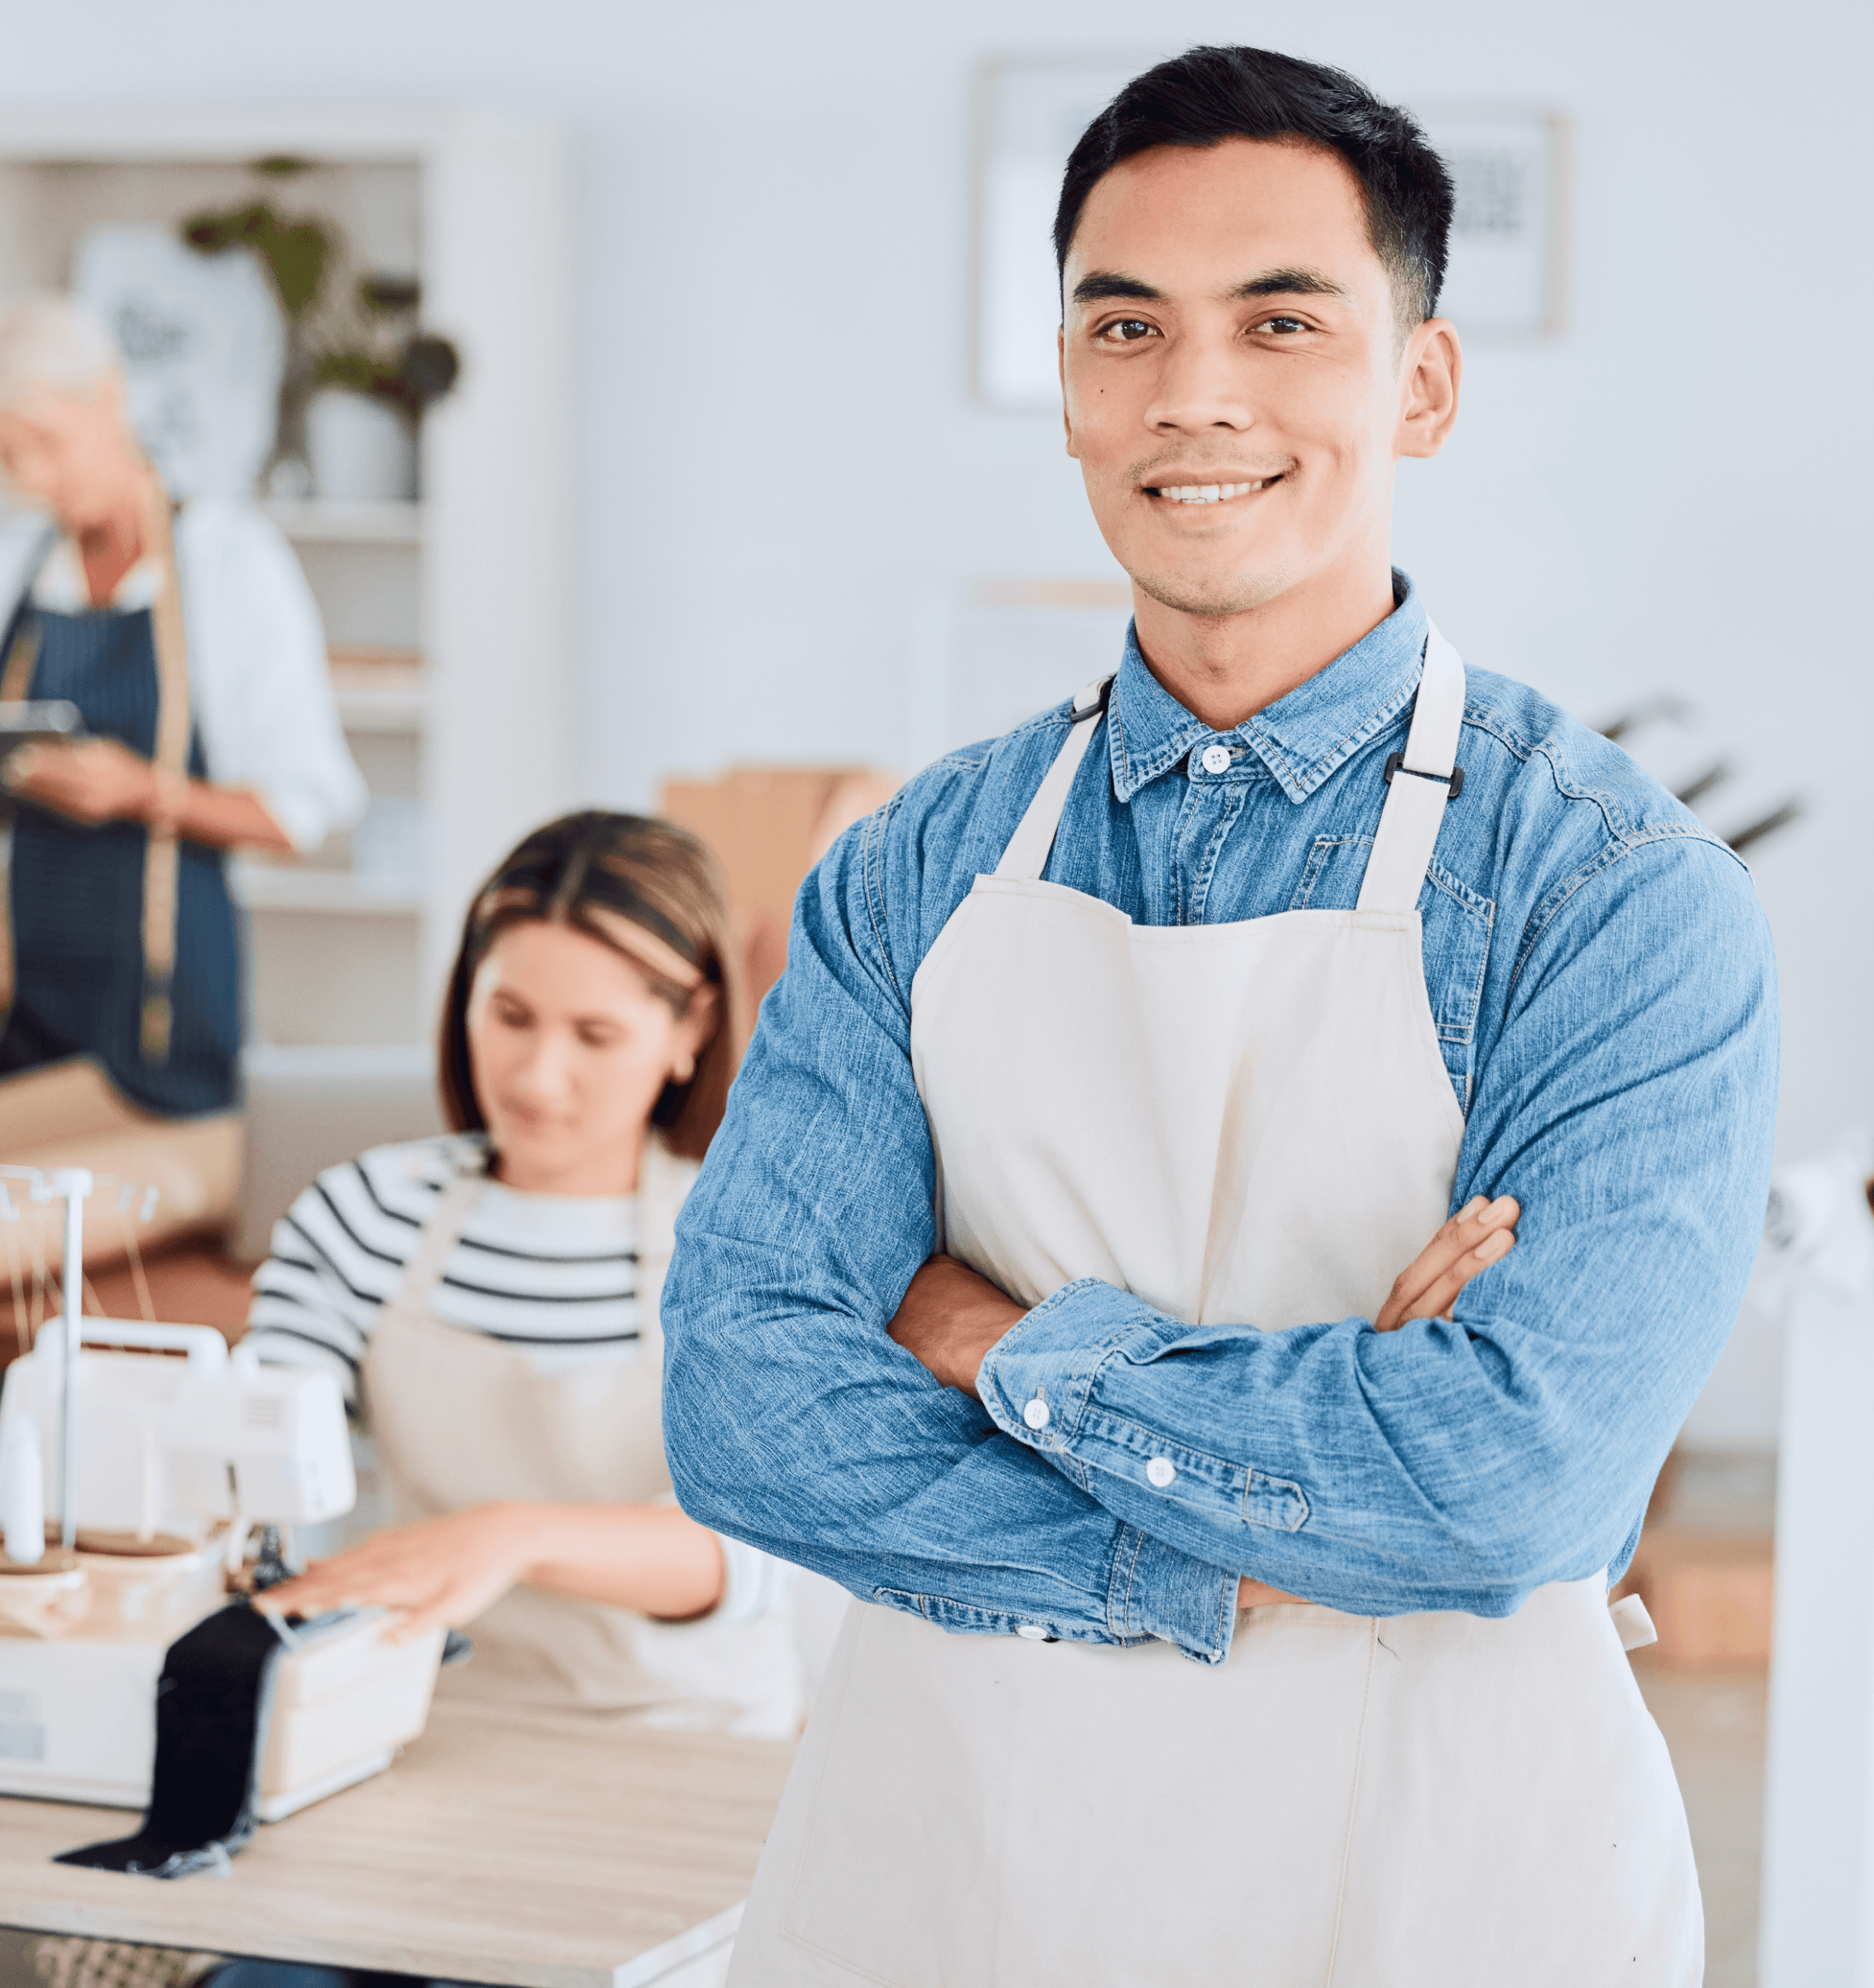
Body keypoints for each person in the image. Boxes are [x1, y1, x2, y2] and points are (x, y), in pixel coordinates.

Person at [661, 44, 1776, 1986]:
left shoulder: (1614, 892)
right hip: (948, 1876)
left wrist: (992, 1338)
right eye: (1127, 324)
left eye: (1283, 319)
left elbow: (1511, 1478)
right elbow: (744, 1403)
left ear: (1417, 383)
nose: (1195, 393)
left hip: (1437, 1887)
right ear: (1072, 387)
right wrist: (1255, 1527)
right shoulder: (912, 866)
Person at [247, 811, 800, 1737]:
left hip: (692, 1733)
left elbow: (754, 1554)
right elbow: (259, 1449)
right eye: (509, 1016)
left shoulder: (750, 1239)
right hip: (426, 1719)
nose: (538, 1077)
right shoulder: (364, 1215)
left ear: (691, 1025)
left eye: (594, 1034)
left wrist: (512, 1534)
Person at [0, 294, 364, 1261]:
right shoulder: (20, 567)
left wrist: (141, 792)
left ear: (108, 399)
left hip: (160, 1045)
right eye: (5, 456)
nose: (30, 477)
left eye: (42, 441)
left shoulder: (226, 563)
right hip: (24, 1026)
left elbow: (306, 807)